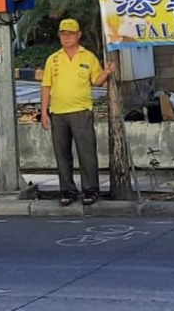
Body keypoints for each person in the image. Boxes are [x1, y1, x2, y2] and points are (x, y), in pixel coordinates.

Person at [40, 19, 115, 207]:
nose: (66, 37)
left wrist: (107, 72)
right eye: (62, 34)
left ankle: (91, 189)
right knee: (62, 154)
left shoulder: (88, 57)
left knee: (86, 152)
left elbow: (97, 81)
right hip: (58, 113)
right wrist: (44, 112)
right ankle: (67, 190)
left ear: (78, 35)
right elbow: (46, 86)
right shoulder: (53, 59)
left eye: (70, 34)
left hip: (81, 111)